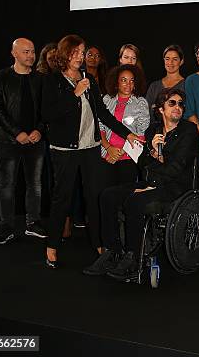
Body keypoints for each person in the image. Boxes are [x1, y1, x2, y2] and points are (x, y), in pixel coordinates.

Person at [41, 34, 142, 269]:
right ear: (64, 54)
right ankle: (52, 245)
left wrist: (127, 133)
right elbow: (48, 114)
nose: (79, 56)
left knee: (95, 196)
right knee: (62, 197)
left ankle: (99, 244)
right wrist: (74, 93)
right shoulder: (52, 80)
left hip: (91, 148)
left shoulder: (88, 78)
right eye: (75, 52)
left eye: (82, 51)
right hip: (65, 150)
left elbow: (103, 114)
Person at [82, 87, 198, 280]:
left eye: (180, 104)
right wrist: (152, 152)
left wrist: (153, 177)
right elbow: (142, 162)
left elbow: (178, 166)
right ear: (161, 109)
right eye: (172, 103)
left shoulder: (188, 130)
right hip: (150, 181)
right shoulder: (153, 130)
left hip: (174, 187)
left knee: (135, 201)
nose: (177, 107)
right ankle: (112, 251)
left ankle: (133, 256)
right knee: (108, 195)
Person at [0, 38, 47, 244]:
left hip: (35, 140)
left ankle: (33, 223)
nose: (30, 55)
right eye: (25, 52)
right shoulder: (0, 77)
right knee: (7, 184)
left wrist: (39, 130)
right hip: (7, 141)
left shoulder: (40, 79)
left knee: (35, 184)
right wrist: (16, 133)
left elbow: (46, 110)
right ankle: (6, 226)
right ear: (14, 53)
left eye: (32, 51)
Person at [99, 64, 149, 186]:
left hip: (129, 157)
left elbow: (141, 133)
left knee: (125, 196)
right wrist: (109, 148)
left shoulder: (140, 102)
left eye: (132, 81)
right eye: (124, 80)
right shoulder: (106, 100)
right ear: (116, 82)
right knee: (106, 195)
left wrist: (121, 152)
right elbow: (99, 127)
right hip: (106, 155)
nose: (128, 84)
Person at [145, 44, 185, 123]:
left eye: (175, 59)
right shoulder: (154, 86)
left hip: (180, 132)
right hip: (155, 131)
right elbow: (146, 112)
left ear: (181, 61)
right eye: (167, 59)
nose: (170, 62)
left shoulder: (187, 85)